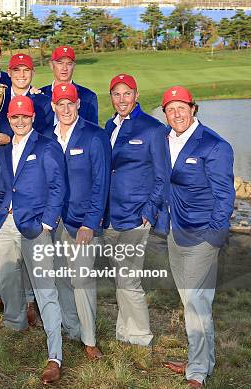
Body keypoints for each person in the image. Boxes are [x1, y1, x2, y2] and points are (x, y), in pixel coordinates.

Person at [158, 86, 235, 389]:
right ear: (165, 113)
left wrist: (215, 234)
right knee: (192, 302)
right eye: (170, 109)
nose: (176, 114)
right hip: (176, 232)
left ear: (193, 109)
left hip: (203, 234)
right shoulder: (165, 141)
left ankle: (198, 371)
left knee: (196, 302)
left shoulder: (215, 145)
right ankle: (200, 358)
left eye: (181, 107)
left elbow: (225, 195)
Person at [0, 95, 66, 384]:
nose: (20, 121)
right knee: (6, 277)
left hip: (35, 225)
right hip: (5, 224)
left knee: (45, 289)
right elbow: (0, 187)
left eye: (25, 117)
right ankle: (15, 322)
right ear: (8, 119)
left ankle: (54, 355)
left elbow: (58, 186)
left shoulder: (47, 145)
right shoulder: (3, 150)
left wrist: (48, 222)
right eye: (15, 117)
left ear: (33, 118)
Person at [103, 73, 169, 347]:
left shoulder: (152, 129)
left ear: (136, 95)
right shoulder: (109, 126)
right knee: (121, 277)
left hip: (135, 215)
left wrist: (150, 209)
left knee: (129, 278)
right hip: (110, 214)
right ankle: (124, 332)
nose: (122, 99)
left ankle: (141, 337)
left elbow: (162, 175)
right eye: (116, 94)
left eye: (126, 93)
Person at [49, 82, 110, 360]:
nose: (65, 109)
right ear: (53, 106)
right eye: (60, 104)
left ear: (78, 105)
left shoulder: (94, 136)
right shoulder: (47, 137)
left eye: (70, 104)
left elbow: (101, 184)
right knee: (61, 277)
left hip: (81, 222)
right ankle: (71, 327)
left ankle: (89, 338)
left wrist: (90, 222)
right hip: (55, 222)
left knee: (82, 280)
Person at [40, 46, 98, 125]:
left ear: (74, 66)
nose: (64, 68)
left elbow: (93, 131)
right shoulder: (40, 95)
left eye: (69, 63)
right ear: (51, 65)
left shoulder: (88, 96)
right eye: (60, 63)